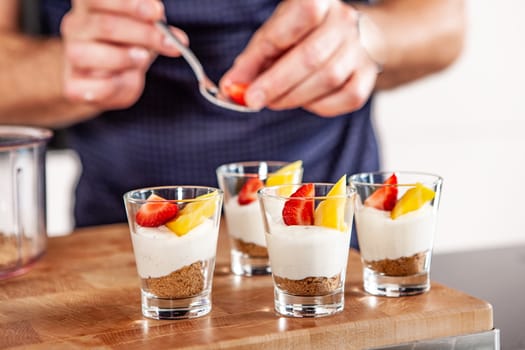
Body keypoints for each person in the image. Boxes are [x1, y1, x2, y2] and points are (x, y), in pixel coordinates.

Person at [0, 0, 465, 248]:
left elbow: (445, 22)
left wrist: (368, 39)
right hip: (115, 242)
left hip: (331, 236)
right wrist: (65, 68)